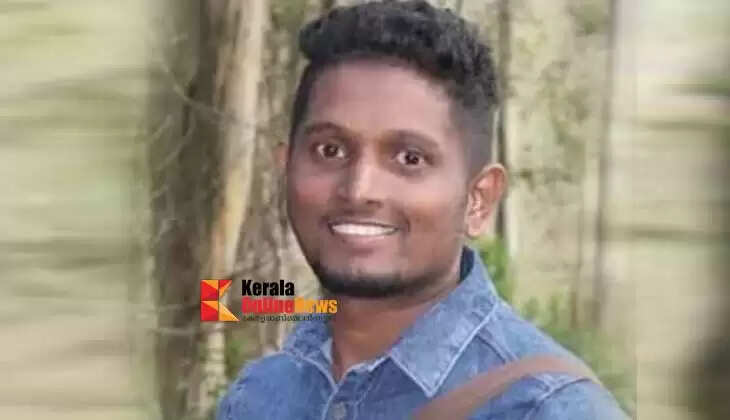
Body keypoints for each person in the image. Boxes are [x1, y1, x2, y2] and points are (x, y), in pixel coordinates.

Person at [218, 1, 627, 419]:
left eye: (409, 158)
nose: (359, 190)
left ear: (479, 199)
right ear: (286, 167)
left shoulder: (549, 409)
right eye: (330, 150)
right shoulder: (261, 396)